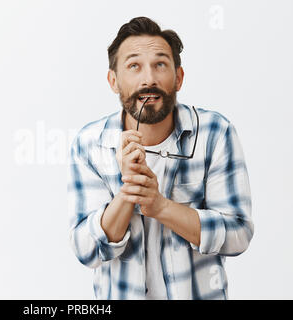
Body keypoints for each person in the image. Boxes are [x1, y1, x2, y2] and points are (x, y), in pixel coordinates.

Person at [67, 16, 253, 300]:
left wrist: (160, 206)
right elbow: (86, 250)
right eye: (134, 66)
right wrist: (128, 192)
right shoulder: (89, 143)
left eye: (160, 64)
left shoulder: (215, 132)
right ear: (113, 81)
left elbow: (238, 234)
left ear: (178, 77)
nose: (149, 79)